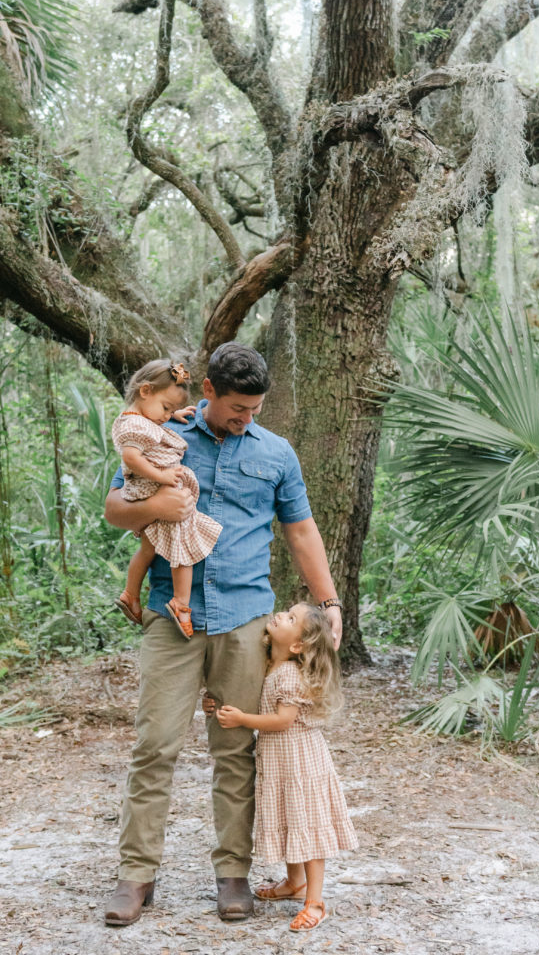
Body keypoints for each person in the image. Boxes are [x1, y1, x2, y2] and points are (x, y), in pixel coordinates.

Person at [102, 342, 343, 928]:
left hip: (246, 620)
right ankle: (136, 878)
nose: (246, 418)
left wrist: (330, 602)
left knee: (235, 753)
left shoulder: (277, 453)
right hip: (172, 616)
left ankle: (233, 875)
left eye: (255, 409)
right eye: (237, 407)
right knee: (154, 748)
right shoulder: (164, 435)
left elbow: (301, 530)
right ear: (207, 390)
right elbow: (114, 509)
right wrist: (160, 498)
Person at [203, 602, 358, 932]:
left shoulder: (288, 674)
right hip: (282, 763)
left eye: (291, 618)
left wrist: (243, 720)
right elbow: (250, 694)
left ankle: (315, 901)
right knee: (292, 820)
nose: (281, 615)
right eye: (287, 611)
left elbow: (283, 720)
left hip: (301, 763)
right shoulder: (269, 666)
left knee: (309, 829)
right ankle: (294, 882)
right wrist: (216, 700)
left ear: (298, 645)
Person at [111, 359, 222, 638]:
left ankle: (129, 593)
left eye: (170, 410)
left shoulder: (141, 420)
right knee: (182, 548)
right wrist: (161, 477)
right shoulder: (133, 427)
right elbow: (131, 457)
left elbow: (151, 426)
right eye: (165, 407)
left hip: (149, 489)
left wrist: (171, 414)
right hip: (155, 490)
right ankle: (181, 604)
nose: (165, 415)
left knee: (148, 550)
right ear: (145, 391)